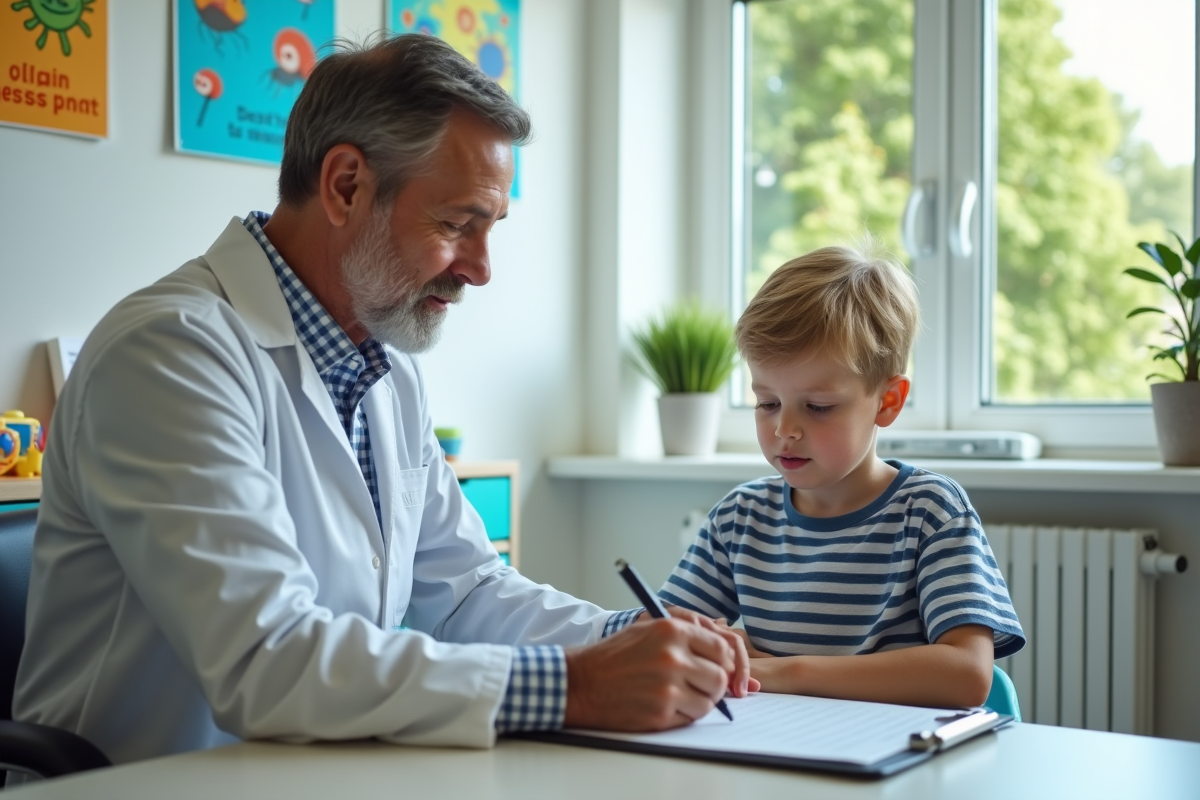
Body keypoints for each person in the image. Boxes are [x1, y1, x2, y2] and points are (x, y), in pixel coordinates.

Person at [11, 34, 752, 772]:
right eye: (457, 224)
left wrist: (628, 636)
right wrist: (577, 686)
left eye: (489, 229)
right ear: (345, 186)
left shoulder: (384, 368)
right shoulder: (170, 351)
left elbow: (464, 593)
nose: (481, 270)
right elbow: (265, 659)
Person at [659, 243, 1025, 708]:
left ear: (887, 402)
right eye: (767, 402)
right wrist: (702, 642)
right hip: (772, 741)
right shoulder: (739, 518)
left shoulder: (930, 511)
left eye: (817, 407)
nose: (784, 429)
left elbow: (968, 674)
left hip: (895, 748)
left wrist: (783, 670)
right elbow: (661, 634)